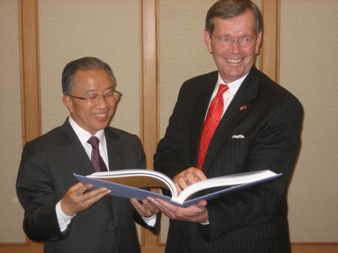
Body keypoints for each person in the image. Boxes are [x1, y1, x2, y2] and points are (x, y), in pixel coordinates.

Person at [150, 0, 303, 252]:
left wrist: (205, 214)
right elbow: (166, 152)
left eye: (245, 38)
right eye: (225, 39)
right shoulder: (191, 90)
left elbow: (268, 192)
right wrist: (179, 174)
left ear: (258, 40)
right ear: (208, 40)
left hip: (243, 243)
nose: (235, 49)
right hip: (183, 240)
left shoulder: (280, 105)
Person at [16, 56, 159, 253]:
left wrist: (149, 213)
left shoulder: (129, 144)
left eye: (109, 94)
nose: (104, 105)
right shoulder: (41, 151)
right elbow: (33, 225)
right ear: (68, 101)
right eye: (92, 96)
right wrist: (64, 209)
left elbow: (130, 207)